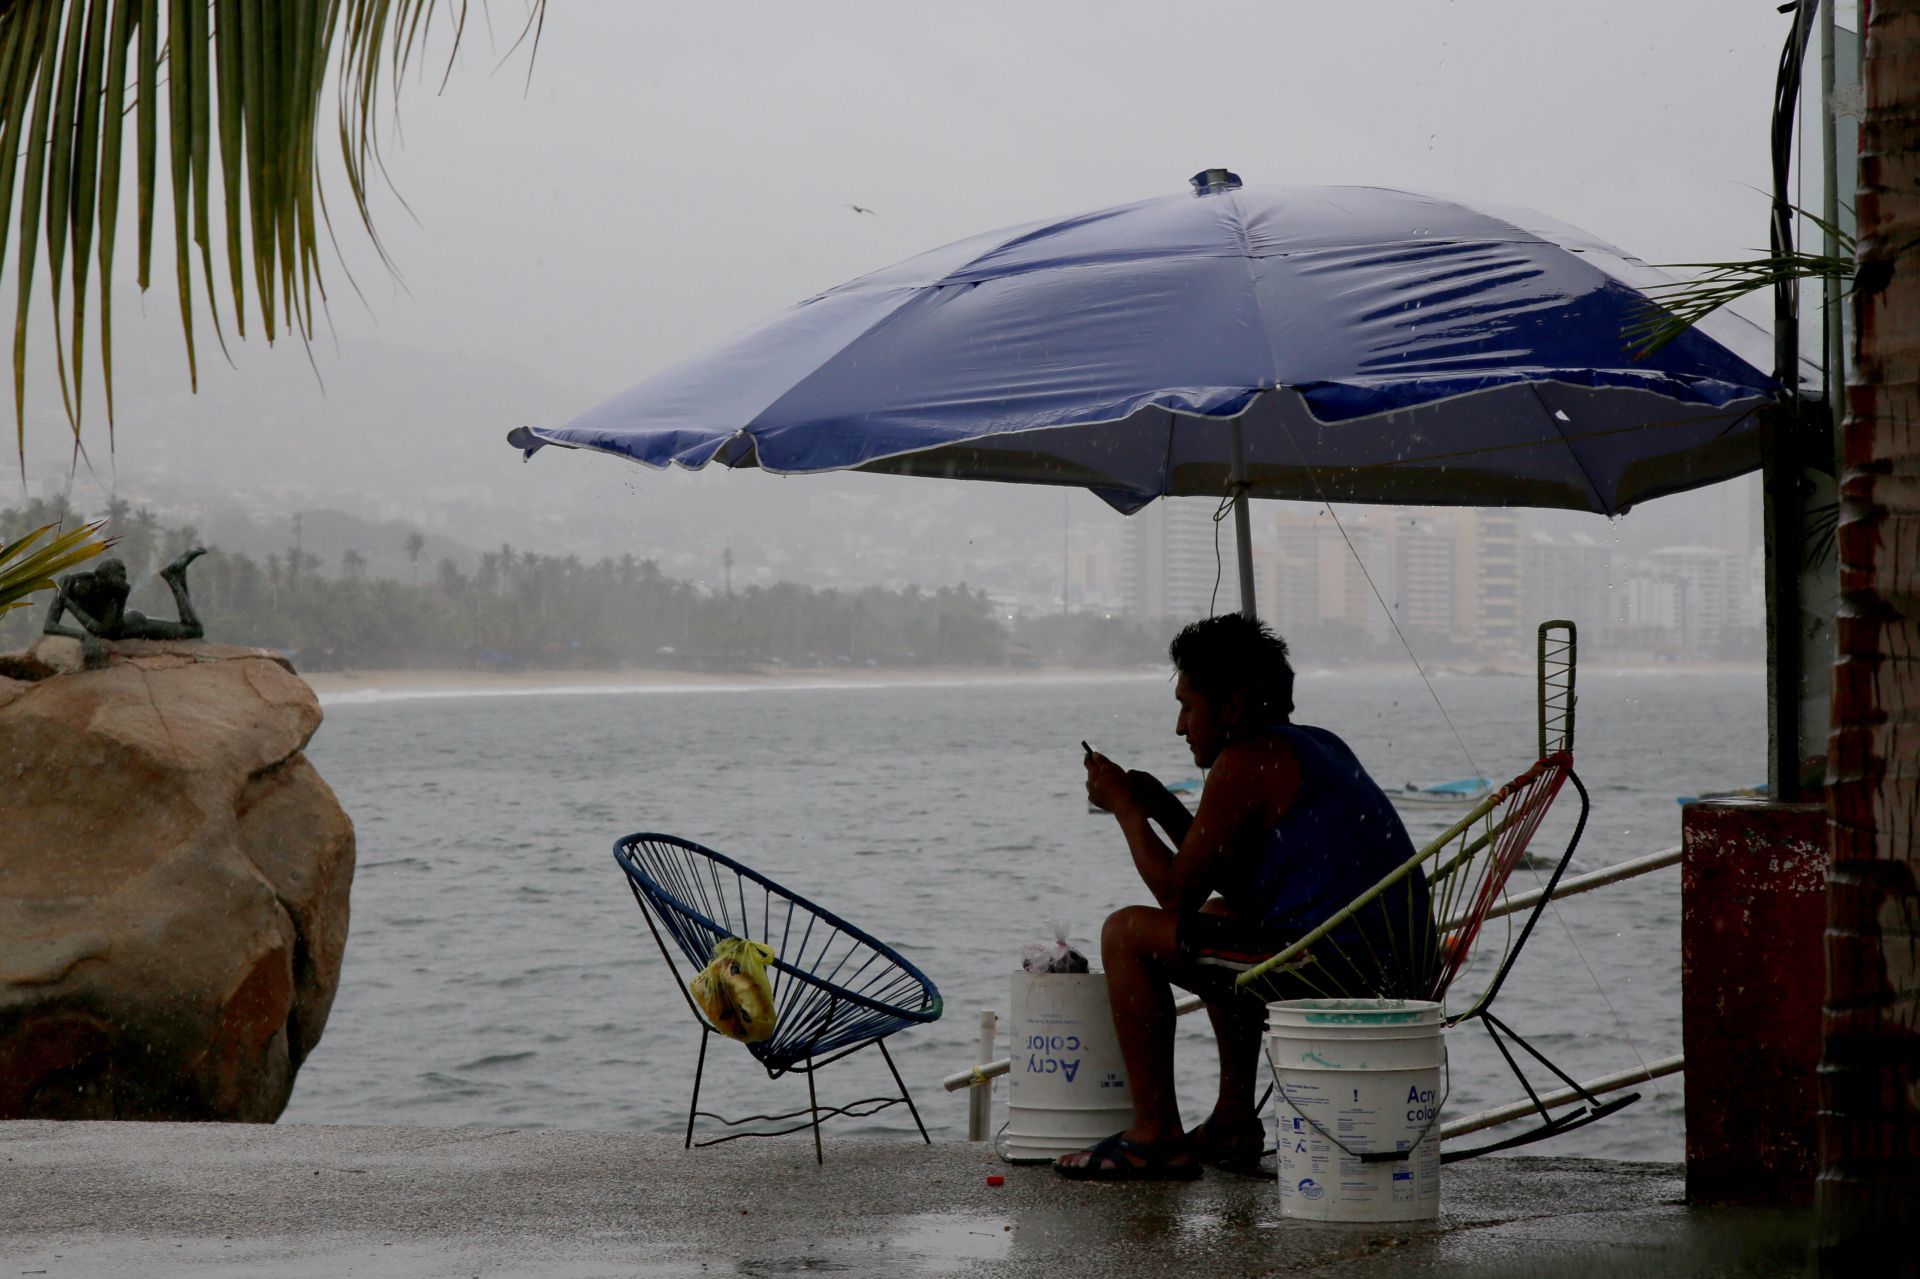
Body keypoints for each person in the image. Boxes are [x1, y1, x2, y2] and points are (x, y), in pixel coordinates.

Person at [1056, 613, 1434, 1181]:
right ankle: (1233, 1119)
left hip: (1336, 969)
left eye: (1188, 706)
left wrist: (1126, 811)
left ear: (1230, 707)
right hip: (1395, 963)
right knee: (1220, 917)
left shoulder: (1245, 761)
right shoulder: (1312, 744)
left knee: (1126, 934)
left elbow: (1174, 895)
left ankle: (1155, 1137)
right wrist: (1162, 806)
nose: (1181, 727)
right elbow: (1239, 885)